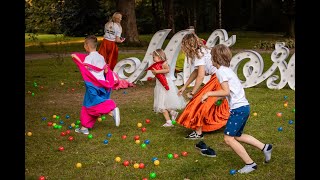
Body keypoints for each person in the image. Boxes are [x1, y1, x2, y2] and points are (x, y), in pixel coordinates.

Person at [197, 44, 273, 174]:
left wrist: (209, 94)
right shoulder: (227, 69)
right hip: (243, 107)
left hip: (239, 109)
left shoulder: (220, 71)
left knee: (228, 138)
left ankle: (250, 164)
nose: (210, 59)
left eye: (211, 57)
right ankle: (265, 147)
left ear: (215, 58)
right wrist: (220, 99)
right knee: (237, 135)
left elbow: (226, 91)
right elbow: (232, 90)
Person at [176, 33, 230, 139]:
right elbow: (196, 72)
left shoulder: (199, 54)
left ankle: (198, 132)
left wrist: (193, 93)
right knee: (210, 103)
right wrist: (185, 86)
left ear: (188, 45)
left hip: (217, 79)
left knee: (198, 103)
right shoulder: (203, 51)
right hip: (220, 77)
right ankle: (222, 123)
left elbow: (200, 76)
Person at [71, 35, 121, 135]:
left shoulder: (89, 58)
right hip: (101, 85)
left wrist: (75, 57)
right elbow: (105, 69)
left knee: (92, 104)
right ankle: (84, 127)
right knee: (87, 104)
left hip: (92, 85)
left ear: (87, 46)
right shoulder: (101, 57)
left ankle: (111, 109)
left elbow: (84, 67)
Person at [149, 49, 187, 127]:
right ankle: (173, 113)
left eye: (154, 57)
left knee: (161, 104)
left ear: (159, 57)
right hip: (160, 85)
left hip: (165, 84)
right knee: (164, 102)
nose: (153, 59)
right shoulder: (155, 64)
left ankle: (169, 121)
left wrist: (157, 72)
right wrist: (154, 76)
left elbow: (167, 70)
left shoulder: (164, 63)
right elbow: (157, 75)